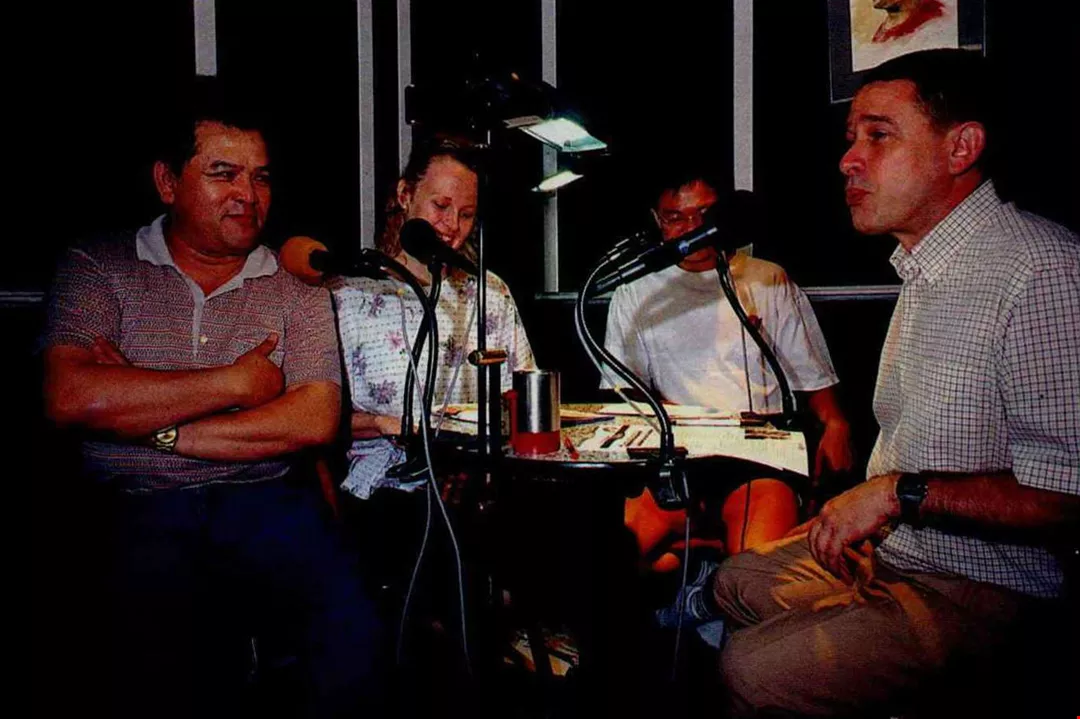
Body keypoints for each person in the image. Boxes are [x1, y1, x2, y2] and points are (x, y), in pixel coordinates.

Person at [712, 49, 1079, 717]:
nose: (848, 160)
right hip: (893, 553)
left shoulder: (1041, 270)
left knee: (750, 670)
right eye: (851, 138)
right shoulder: (925, 265)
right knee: (733, 580)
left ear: (961, 147)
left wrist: (896, 493)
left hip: (983, 588)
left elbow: (1066, 496)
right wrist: (867, 505)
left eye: (879, 136)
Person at [41, 80, 382, 717]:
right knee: (152, 659)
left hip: (265, 499)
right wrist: (236, 383)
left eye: (260, 177)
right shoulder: (98, 265)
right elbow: (69, 395)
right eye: (224, 174)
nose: (248, 196)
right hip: (133, 500)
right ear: (167, 181)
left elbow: (313, 418)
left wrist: (151, 421)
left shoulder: (297, 283)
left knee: (351, 639)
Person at [602, 165, 853, 579]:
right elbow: (624, 394)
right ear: (657, 221)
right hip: (675, 458)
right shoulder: (634, 293)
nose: (693, 229)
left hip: (757, 459)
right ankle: (696, 565)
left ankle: (711, 571)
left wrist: (835, 423)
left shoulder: (768, 279)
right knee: (608, 557)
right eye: (676, 218)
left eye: (704, 214)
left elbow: (813, 376)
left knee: (755, 575)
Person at [330, 136, 535, 500]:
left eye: (467, 214)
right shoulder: (349, 295)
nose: (452, 225)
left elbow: (523, 399)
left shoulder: (491, 293)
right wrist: (383, 425)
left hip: (477, 487)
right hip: (385, 492)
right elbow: (315, 419)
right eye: (441, 206)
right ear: (405, 194)